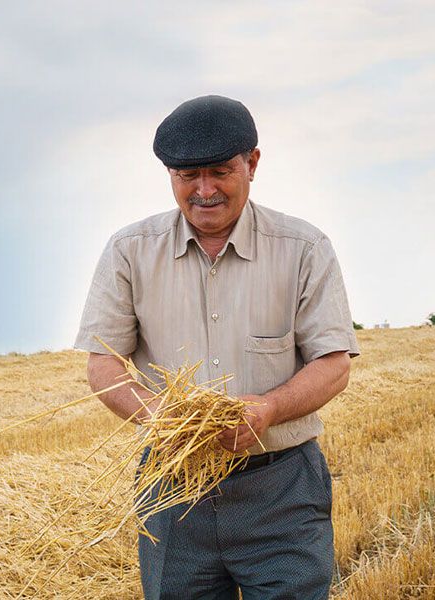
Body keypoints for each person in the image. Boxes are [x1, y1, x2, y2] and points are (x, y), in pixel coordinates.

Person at [74, 94, 359, 599]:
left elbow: (334, 362)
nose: (204, 190)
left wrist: (268, 408)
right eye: (188, 175)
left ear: (252, 163)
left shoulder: (303, 248)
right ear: (169, 174)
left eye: (220, 172)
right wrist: (160, 416)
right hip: (173, 488)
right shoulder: (129, 250)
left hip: (281, 487)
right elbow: (104, 364)